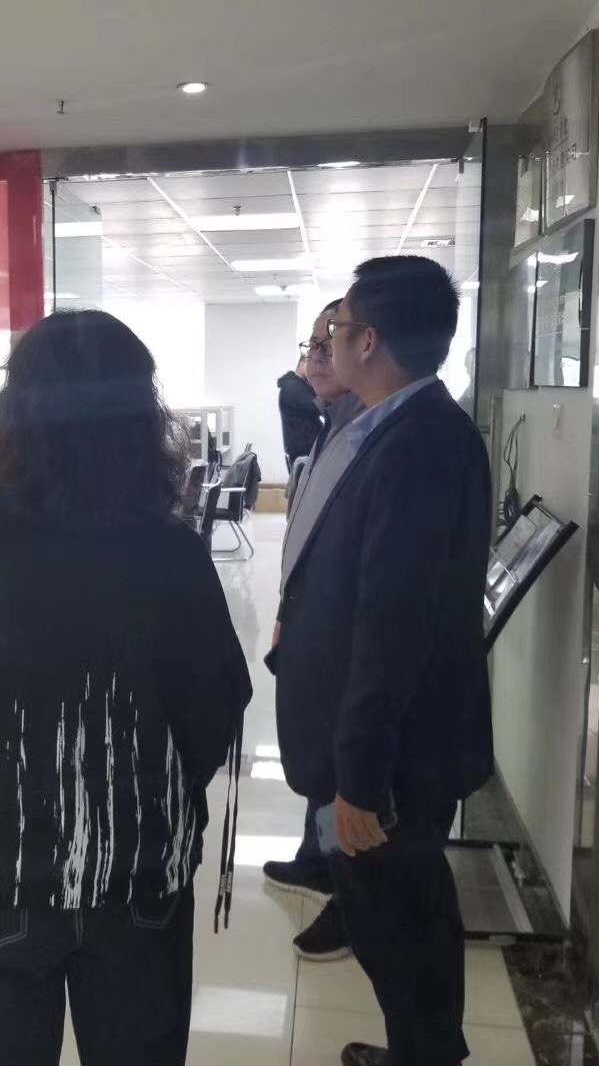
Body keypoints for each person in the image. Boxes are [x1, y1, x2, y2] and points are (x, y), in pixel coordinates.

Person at [0, 309, 252, 1066]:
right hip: (141, 869)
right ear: (143, 420)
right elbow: (213, 711)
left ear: (15, 415)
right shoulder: (174, 555)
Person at [274, 257, 492, 1066]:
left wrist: (360, 778)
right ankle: (424, 1050)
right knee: (404, 912)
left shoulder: (419, 445)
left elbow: (392, 621)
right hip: (381, 744)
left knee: (394, 920)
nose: (327, 344)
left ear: (367, 340)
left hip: (389, 760)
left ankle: (424, 1054)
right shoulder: (388, 426)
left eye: (335, 330)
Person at [264, 298, 365, 963]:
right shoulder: (335, 423)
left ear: (370, 344)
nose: (317, 359)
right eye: (312, 345)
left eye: (332, 343)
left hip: (343, 640)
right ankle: (318, 858)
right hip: (311, 625)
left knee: (343, 764)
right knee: (322, 761)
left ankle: (348, 891)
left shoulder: (373, 433)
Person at [278, 354, 323, 468]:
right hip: (303, 452)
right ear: (302, 364)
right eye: (311, 365)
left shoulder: (300, 384)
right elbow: (317, 407)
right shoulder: (293, 386)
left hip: (306, 448)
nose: (314, 370)